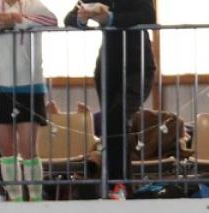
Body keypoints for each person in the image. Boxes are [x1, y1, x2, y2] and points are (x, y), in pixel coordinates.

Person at [65, 0, 154, 193]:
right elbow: (70, 18)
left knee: (117, 116)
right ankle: (118, 185)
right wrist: (82, 18)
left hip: (137, 66)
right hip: (108, 68)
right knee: (112, 125)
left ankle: (118, 185)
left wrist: (110, 18)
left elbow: (149, 15)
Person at [0, 0, 60, 168]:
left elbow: (52, 21)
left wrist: (19, 21)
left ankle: (34, 187)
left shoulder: (34, 5)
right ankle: (13, 186)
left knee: (29, 149)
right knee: (6, 150)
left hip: (30, 86)